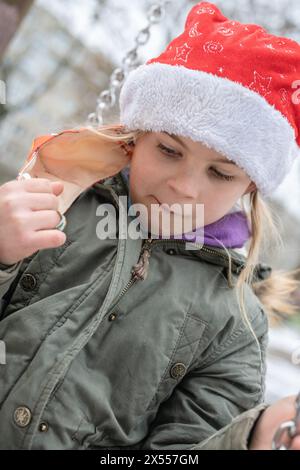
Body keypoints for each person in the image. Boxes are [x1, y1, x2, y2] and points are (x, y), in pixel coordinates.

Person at [0, 1, 299, 450]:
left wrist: (248, 438)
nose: (183, 187)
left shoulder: (232, 324)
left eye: (219, 173)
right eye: (169, 151)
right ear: (136, 137)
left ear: (250, 187)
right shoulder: (54, 202)